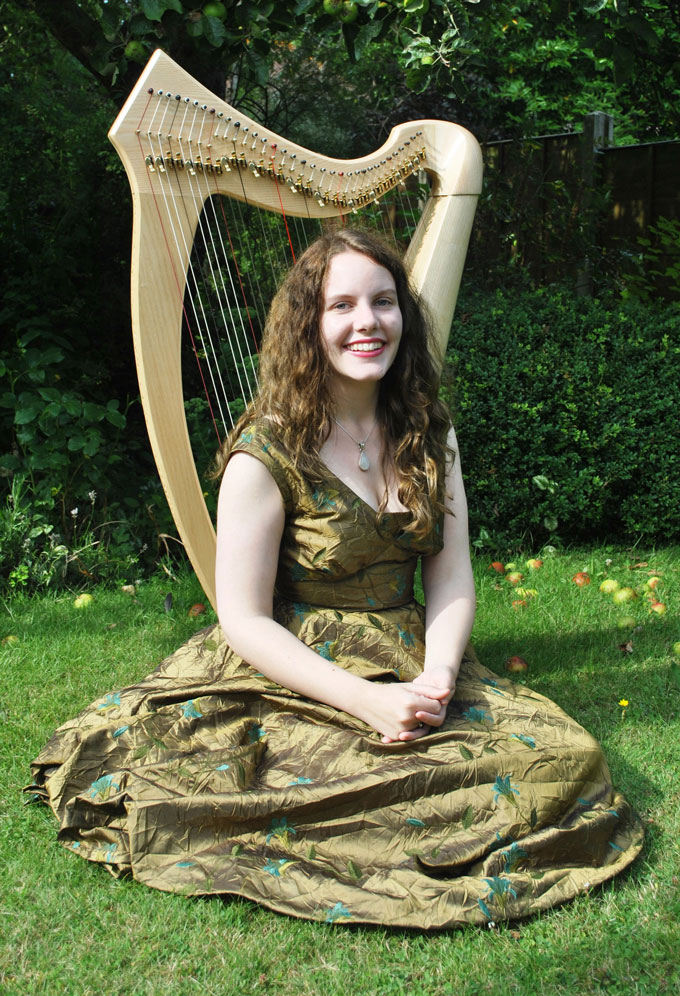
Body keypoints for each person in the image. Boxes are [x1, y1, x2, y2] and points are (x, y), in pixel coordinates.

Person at [29, 228, 643, 929]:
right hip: (292, 669)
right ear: (308, 326)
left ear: (403, 317)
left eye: (383, 302)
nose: (367, 322)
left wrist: (440, 673)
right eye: (342, 305)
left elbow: (451, 580)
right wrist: (365, 702)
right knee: (356, 783)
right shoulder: (266, 450)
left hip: (411, 652)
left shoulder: (429, 434)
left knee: (571, 758)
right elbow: (245, 618)